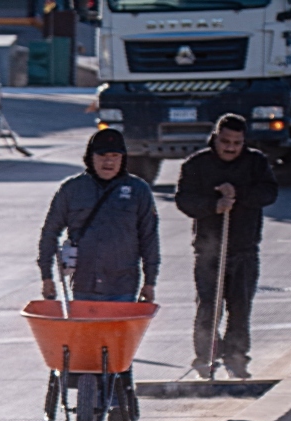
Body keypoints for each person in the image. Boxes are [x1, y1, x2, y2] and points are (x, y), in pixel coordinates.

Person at [175, 113, 278, 379]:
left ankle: (237, 358)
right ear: (215, 138)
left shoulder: (256, 162)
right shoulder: (197, 164)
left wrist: (238, 193)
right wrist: (214, 205)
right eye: (225, 141)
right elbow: (184, 200)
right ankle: (205, 358)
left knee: (240, 307)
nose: (230, 148)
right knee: (208, 307)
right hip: (209, 251)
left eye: (236, 143)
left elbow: (269, 193)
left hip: (244, 249)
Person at [37, 127, 160, 305]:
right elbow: (50, 232)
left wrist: (150, 282)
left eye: (115, 156)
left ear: (123, 158)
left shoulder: (138, 190)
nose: (108, 161)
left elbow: (149, 238)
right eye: (102, 155)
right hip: (84, 285)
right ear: (90, 157)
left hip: (123, 286)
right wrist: (46, 277)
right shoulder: (72, 189)